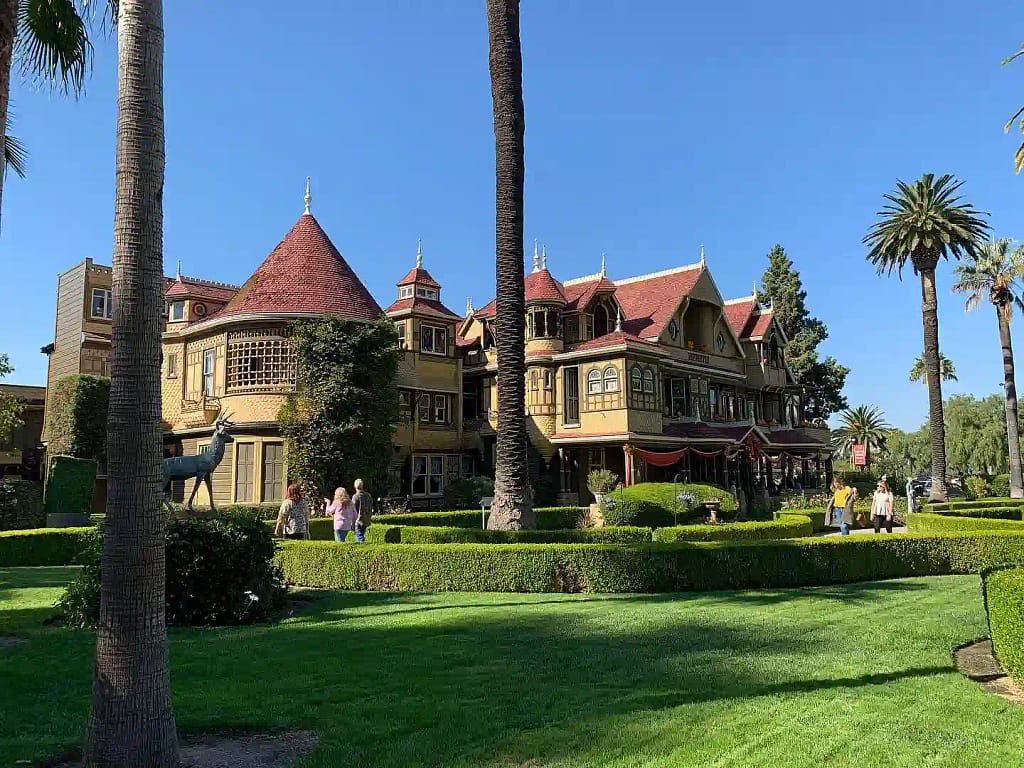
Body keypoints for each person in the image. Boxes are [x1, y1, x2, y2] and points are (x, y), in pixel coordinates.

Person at [352, 478, 373, 543]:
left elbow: (353, 509)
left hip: (359, 520)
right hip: (367, 519)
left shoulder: (356, 496)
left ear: (355, 486)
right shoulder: (369, 495)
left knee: (359, 537)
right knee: (362, 535)